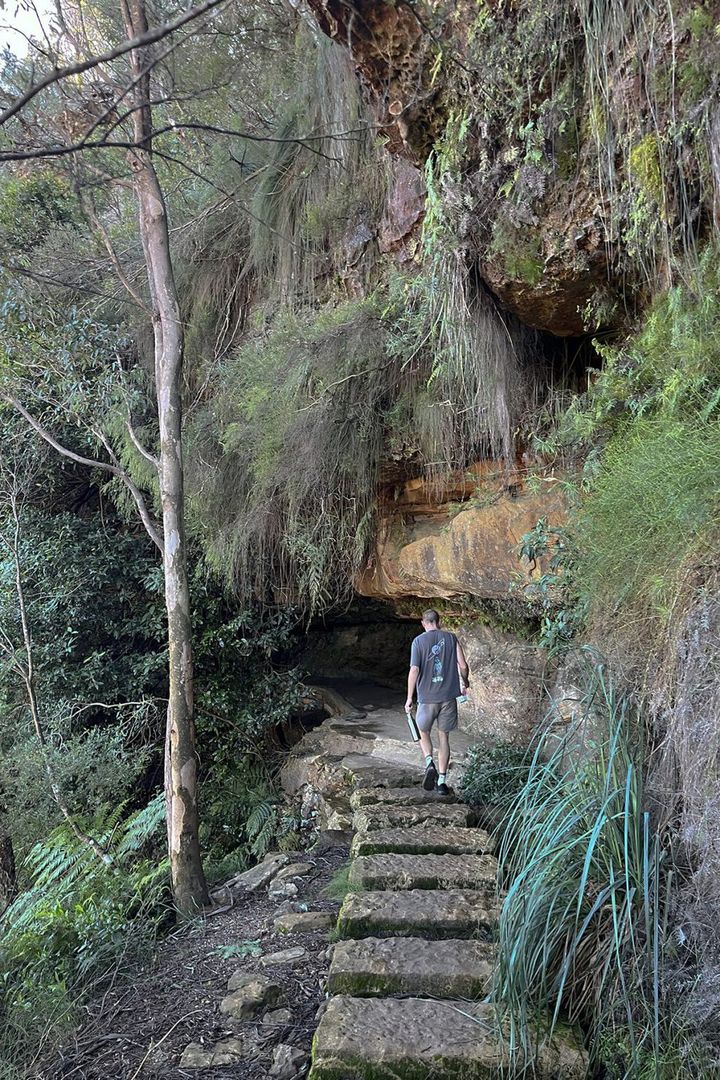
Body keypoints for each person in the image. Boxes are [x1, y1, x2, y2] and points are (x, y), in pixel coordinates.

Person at [404, 609, 470, 796]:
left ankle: (428, 762)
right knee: (444, 738)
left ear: (424, 623)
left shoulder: (418, 642)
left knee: (423, 731)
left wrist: (410, 697)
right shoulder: (451, 638)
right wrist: (465, 682)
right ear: (438, 622)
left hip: (427, 699)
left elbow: (414, 670)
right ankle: (441, 782)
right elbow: (463, 666)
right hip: (448, 698)